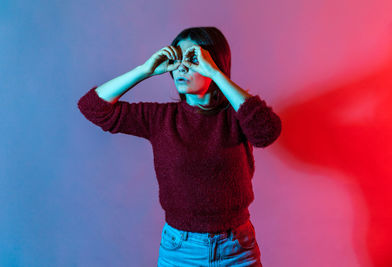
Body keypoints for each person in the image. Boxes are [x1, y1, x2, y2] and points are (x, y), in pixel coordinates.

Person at [77, 26, 282, 266]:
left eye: (192, 60)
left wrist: (216, 74)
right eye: (178, 60)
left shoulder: (237, 114)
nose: (181, 68)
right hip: (180, 251)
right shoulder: (160, 118)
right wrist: (145, 70)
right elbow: (92, 106)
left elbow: (267, 132)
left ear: (213, 63)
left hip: (236, 249)